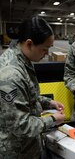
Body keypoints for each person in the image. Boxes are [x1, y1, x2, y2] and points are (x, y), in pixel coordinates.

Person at [0, 16, 65, 158]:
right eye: (45, 49)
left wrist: (48, 102)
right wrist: (53, 119)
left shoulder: (23, 59)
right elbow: (21, 126)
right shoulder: (10, 75)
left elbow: (28, 95)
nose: (47, 53)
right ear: (29, 44)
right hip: (17, 152)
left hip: (29, 146)